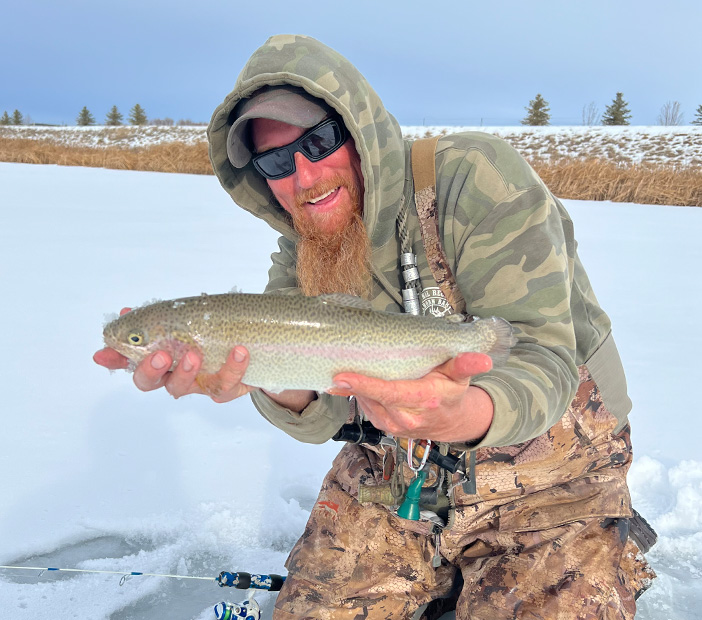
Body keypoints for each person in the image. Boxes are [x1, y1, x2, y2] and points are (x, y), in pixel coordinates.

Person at [94, 34, 655, 619]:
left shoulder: (473, 178)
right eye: (277, 161)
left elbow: (544, 353)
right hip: (400, 472)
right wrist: (273, 382)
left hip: (551, 486)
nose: (304, 175)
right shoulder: (300, 258)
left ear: (357, 127)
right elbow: (325, 415)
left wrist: (461, 414)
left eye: (318, 140)